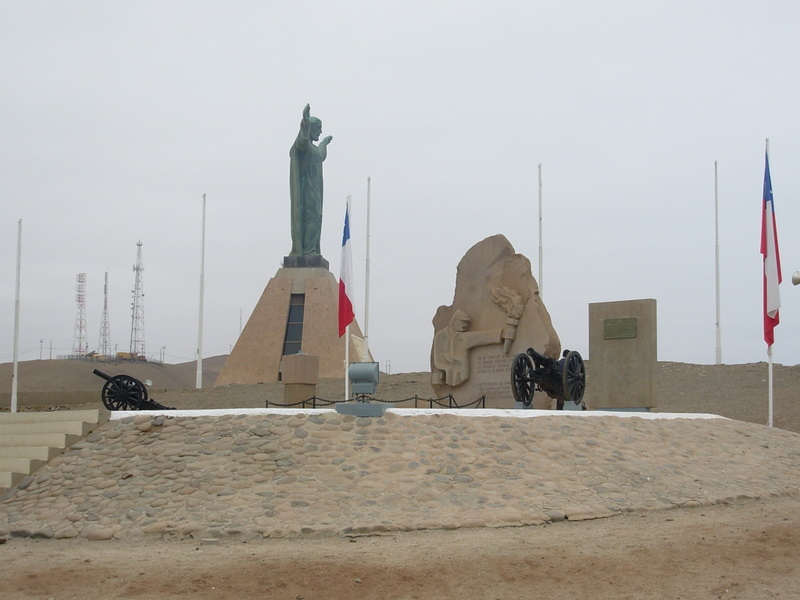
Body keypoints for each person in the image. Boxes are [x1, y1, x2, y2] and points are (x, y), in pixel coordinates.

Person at [289, 104, 333, 257]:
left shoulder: (313, 149)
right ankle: (308, 250)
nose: (320, 131)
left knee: (317, 216)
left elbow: (320, 155)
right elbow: (301, 141)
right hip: (307, 190)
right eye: (318, 128)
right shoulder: (305, 146)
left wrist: (324, 143)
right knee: (311, 217)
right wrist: (305, 123)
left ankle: (312, 248)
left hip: (316, 191)